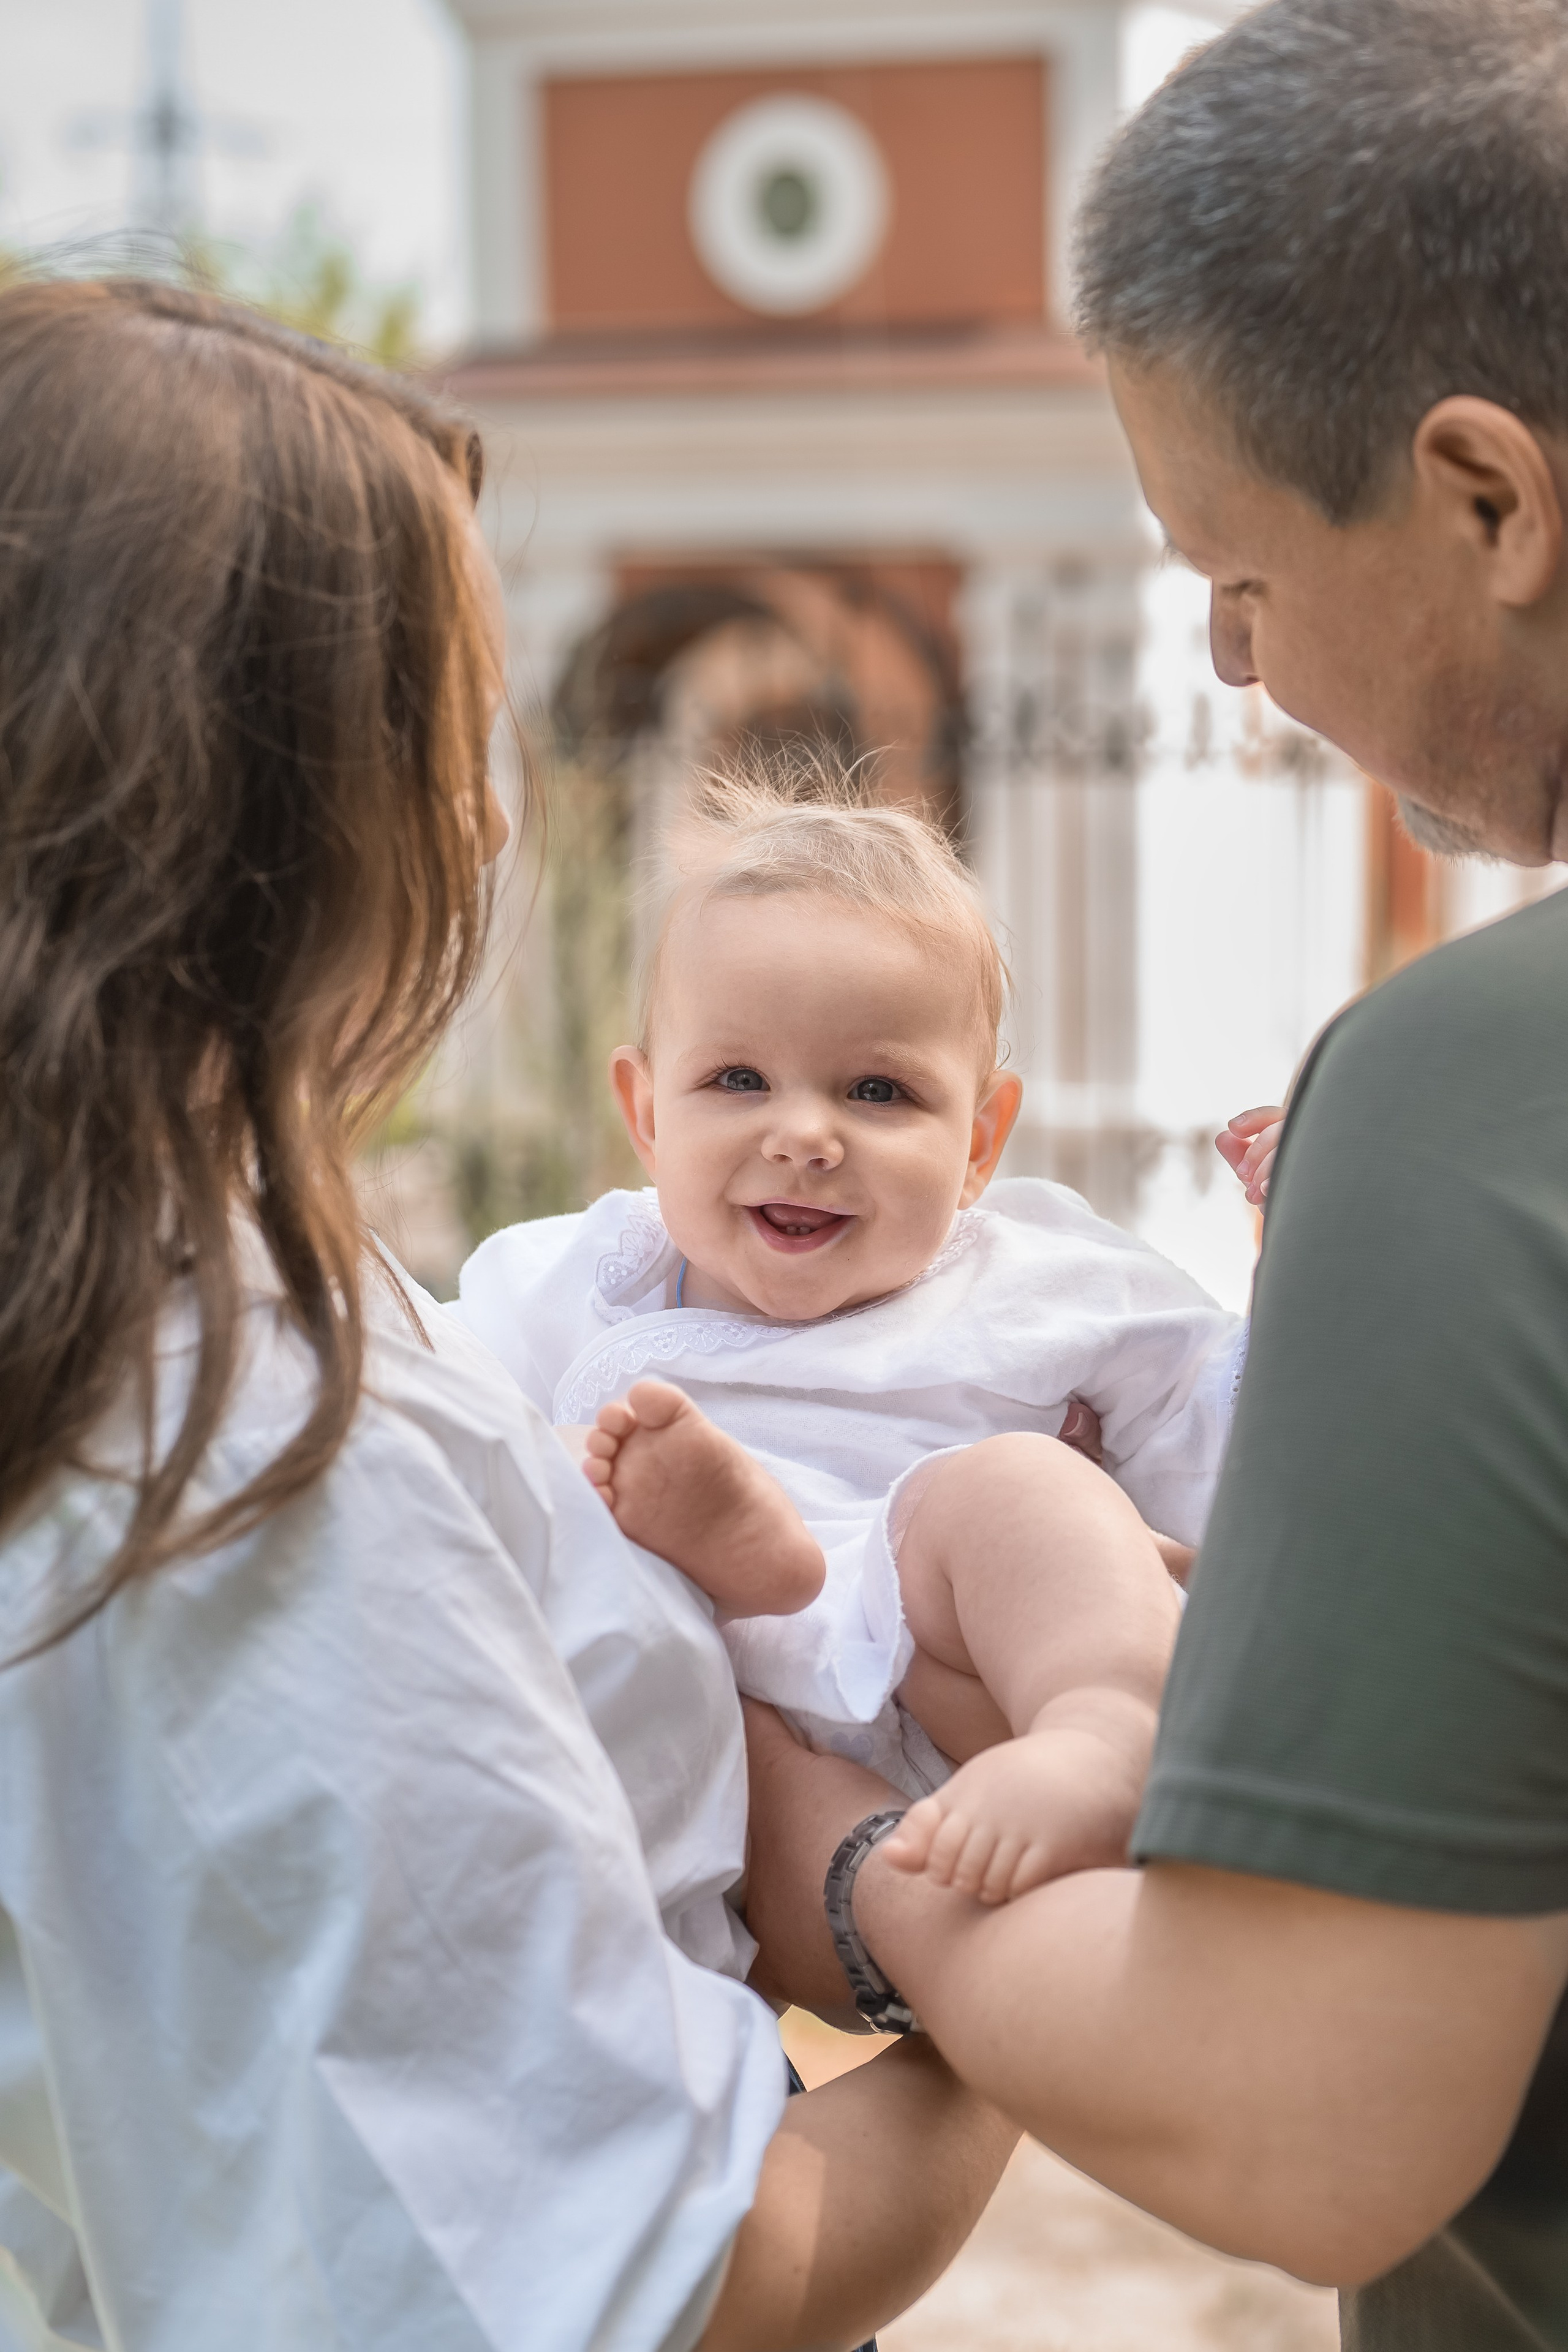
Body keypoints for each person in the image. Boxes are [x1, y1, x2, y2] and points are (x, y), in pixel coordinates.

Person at [0, 277, 1017, 2352]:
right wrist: (1018, 1987)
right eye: (452, 729)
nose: (490, 812)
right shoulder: (248, 1447)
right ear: (275, 804)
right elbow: (679, 2268)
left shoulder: (135, 1307)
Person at [731, 2, 1568, 2346]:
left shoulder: (1472, 1095)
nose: (1218, 658)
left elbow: (1306, 2119)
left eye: (1239, 569)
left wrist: (856, 1872)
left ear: (1488, 501)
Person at [454, 763, 1248, 1907]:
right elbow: (428, 1402)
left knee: (1009, 1492)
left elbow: (1222, 1409)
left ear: (979, 1143)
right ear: (646, 1113)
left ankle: (1108, 1732)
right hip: (741, 1761)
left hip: (995, 1718)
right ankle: (755, 1570)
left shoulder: (1034, 1277)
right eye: (738, 1079)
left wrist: (1307, 1263)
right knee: (588, 1537)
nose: (805, 1135)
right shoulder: (576, 1278)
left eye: (877, 1093)